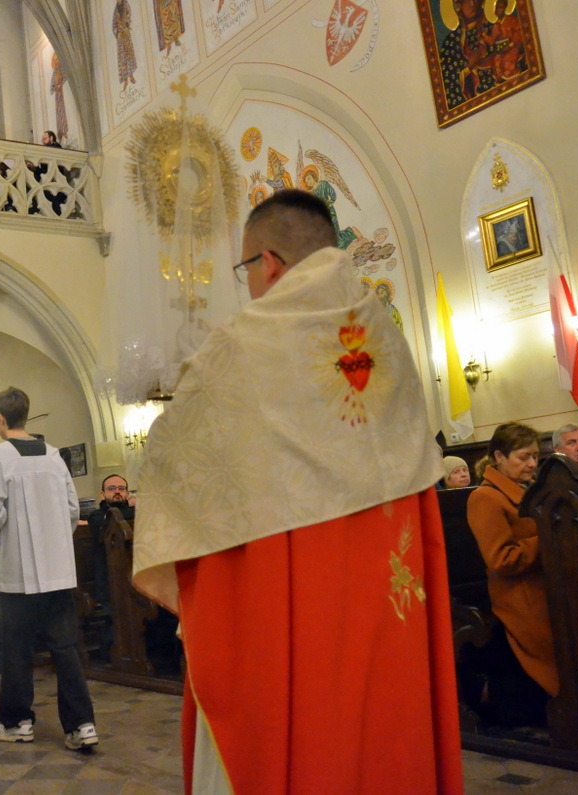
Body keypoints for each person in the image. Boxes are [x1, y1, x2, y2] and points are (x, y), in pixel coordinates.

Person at [132, 190, 462, 792]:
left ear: (269, 263)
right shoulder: (384, 332)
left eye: (245, 270)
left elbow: (173, 460)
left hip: (293, 583)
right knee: (383, 723)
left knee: (307, 723)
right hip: (389, 578)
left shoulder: (244, 344)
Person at [0, 387, 99, 751]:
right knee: (65, 648)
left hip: (18, 573)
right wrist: (54, 543)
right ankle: (82, 725)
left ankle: (18, 722)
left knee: (16, 649)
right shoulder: (54, 455)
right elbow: (72, 509)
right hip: (57, 571)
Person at [465, 422, 556, 726]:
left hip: (547, 589)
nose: (532, 463)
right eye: (524, 456)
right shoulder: (485, 497)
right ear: (499, 457)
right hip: (521, 598)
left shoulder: (530, 489)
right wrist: (549, 538)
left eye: (535, 456)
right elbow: (500, 559)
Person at [85, 474, 136, 661]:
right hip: (109, 580)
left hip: (133, 575)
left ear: (127, 493)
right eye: (112, 489)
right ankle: (113, 654)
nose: (117, 492)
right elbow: (112, 521)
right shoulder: (96, 516)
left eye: (121, 489)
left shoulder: (134, 513)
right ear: (102, 494)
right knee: (117, 616)